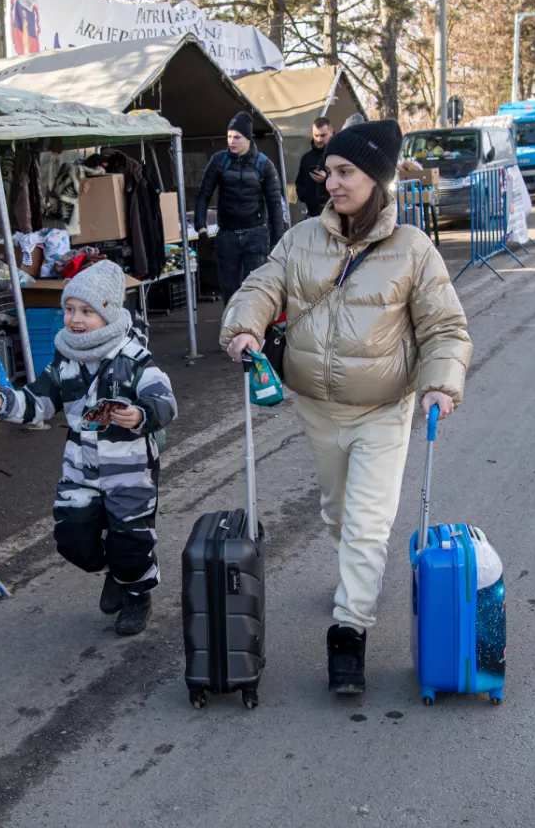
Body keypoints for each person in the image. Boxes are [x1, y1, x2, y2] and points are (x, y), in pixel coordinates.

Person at [220, 120, 473, 695]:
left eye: (344, 172)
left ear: (376, 179)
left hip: (383, 410)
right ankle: (357, 577)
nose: (330, 182)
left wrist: (441, 384)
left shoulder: (413, 250)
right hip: (316, 407)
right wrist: (244, 327)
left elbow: (445, 328)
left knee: (365, 525)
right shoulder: (301, 239)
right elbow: (263, 286)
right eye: (328, 172)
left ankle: (349, 632)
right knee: (337, 515)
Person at [0, 262, 177, 636]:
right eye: (69, 309)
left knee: (130, 540)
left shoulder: (134, 358)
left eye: (87, 311)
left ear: (109, 314)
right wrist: (2, 402)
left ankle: (137, 594)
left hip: (130, 469)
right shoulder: (65, 358)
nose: (75, 319)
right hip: (80, 467)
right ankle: (116, 572)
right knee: (72, 539)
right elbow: (38, 401)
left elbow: (165, 401)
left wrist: (140, 414)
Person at [194, 112, 287, 304]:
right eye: (229, 136)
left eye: (237, 137)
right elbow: (204, 192)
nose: (231, 141)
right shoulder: (219, 161)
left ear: (248, 138)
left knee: (255, 288)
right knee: (229, 289)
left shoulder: (264, 165)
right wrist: (200, 224)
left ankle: (255, 323)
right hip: (227, 234)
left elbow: (275, 204)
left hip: (255, 233)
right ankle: (231, 322)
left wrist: (277, 240)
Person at [295, 117, 335, 220]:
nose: (319, 139)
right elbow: (299, 182)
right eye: (316, 135)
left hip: (335, 214)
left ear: (331, 132)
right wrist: (305, 195)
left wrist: (326, 178)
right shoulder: (306, 158)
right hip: (312, 213)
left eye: (323, 135)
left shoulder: (339, 154)